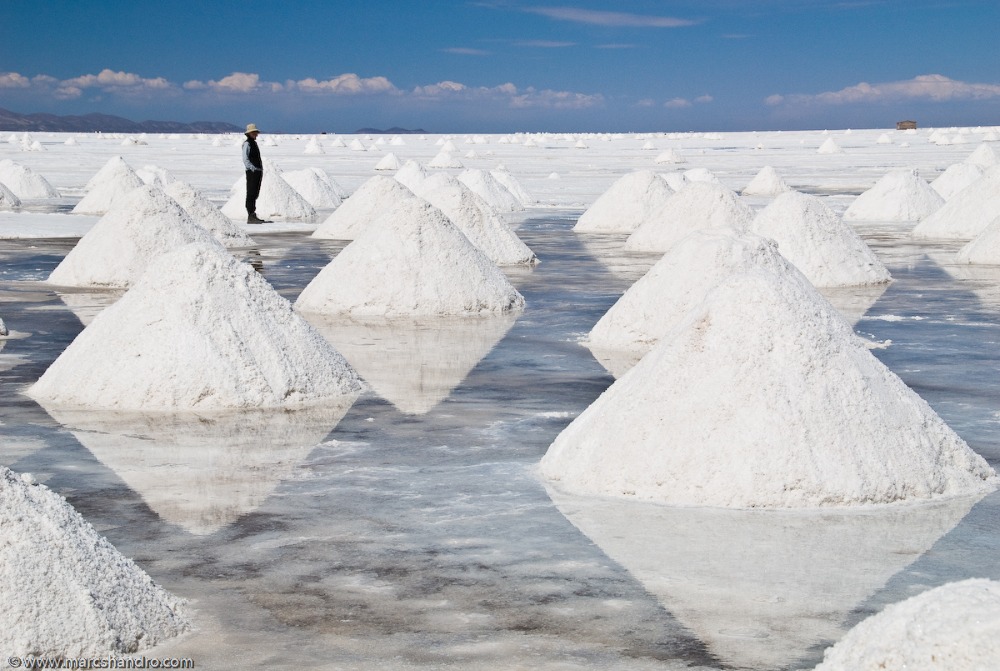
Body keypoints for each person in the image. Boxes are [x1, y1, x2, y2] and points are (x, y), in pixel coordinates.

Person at [242, 123, 270, 224]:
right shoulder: (247, 144)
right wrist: (252, 168)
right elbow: (245, 159)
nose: (256, 134)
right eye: (254, 133)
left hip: (257, 171)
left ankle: (253, 215)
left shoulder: (254, 143)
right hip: (252, 172)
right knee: (251, 193)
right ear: (250, 133)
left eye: (256, 133)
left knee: (255, 193)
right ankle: (250, 215)